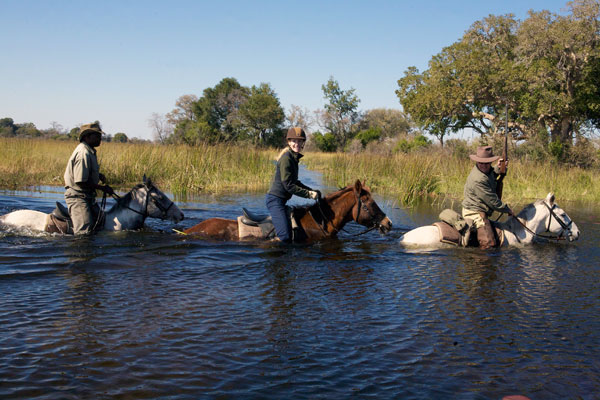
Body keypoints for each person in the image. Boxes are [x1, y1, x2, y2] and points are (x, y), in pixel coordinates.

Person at [265, 127, 321, 243]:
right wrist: (309, 195)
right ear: (289, 142)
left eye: (300, 141)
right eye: (294, 141)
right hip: (275, 201)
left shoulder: (293, 158)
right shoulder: (287, 159)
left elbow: (295, 182)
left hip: (281, 201)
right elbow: (289, 186)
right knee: (285, 237)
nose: (297, 144)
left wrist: (312, 190)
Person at [64, 122, 114, 235]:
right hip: (78, 197)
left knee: (102, 222)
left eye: (100, 136)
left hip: (87, 196)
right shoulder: (83, 153)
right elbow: (81, 181)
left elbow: (85, 172)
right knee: (84, 232)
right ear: (87, 137)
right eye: (97, 136)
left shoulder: (89, 151)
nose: (100, 139)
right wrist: (102, 188)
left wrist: (98, 175)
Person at [462, 145, 513, 249]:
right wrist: (507, 209)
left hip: (480, 209)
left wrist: (499, 168)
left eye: (487, 163)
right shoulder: (478, 179)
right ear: (477, 161)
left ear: (490, 162)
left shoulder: (486, 171)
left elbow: (490, 175)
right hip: (474, 212)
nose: (484, 165)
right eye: (481, 163)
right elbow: (492, 201)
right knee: (489, 243)